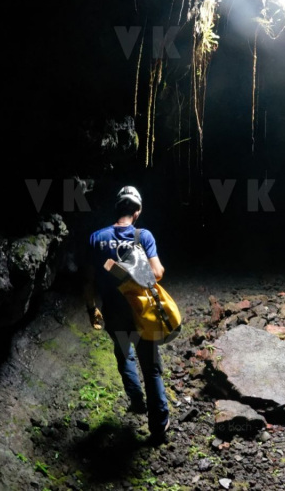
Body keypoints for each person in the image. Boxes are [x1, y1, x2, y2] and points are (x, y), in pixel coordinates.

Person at [83, 185, 170, 445]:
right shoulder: (143, 236)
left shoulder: (97, 238)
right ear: (137, 211)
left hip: (114, 311)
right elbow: (157, 273)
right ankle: (158, 425)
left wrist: (91, 308)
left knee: (124, 355)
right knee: (151, 367)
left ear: (118, 208)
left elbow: (87, 280)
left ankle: (136, 400)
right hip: (141, 312)